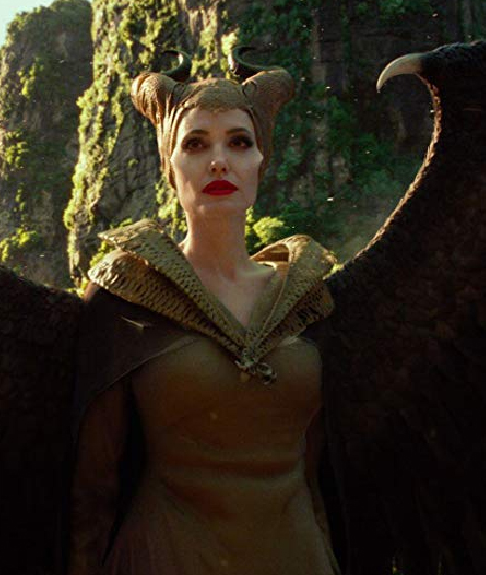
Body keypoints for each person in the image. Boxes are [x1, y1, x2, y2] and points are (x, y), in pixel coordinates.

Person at [69, 51, 339, 575]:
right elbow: (92, 486)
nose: (219, 161)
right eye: (195, 144)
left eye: (239, 142)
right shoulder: (127, 294)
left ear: (260, 159)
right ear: (170, 165)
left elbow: (318, 471)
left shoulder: (308, 298)